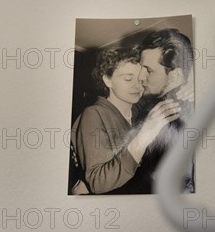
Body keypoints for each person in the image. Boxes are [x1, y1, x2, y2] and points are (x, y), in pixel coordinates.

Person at [69, 46, 181, 195]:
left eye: (140, 79)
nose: (137, 86)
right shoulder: (94, 114)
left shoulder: (139, 110)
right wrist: (144, 134)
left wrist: (189, 86)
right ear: (107, 80)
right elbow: (98, 182)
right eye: (128, 78)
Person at [132, 28, 195, 193]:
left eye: (149, 70)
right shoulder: (153, 105)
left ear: (174, 76)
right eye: (141, 67)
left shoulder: (166, 113)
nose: (140, 76)